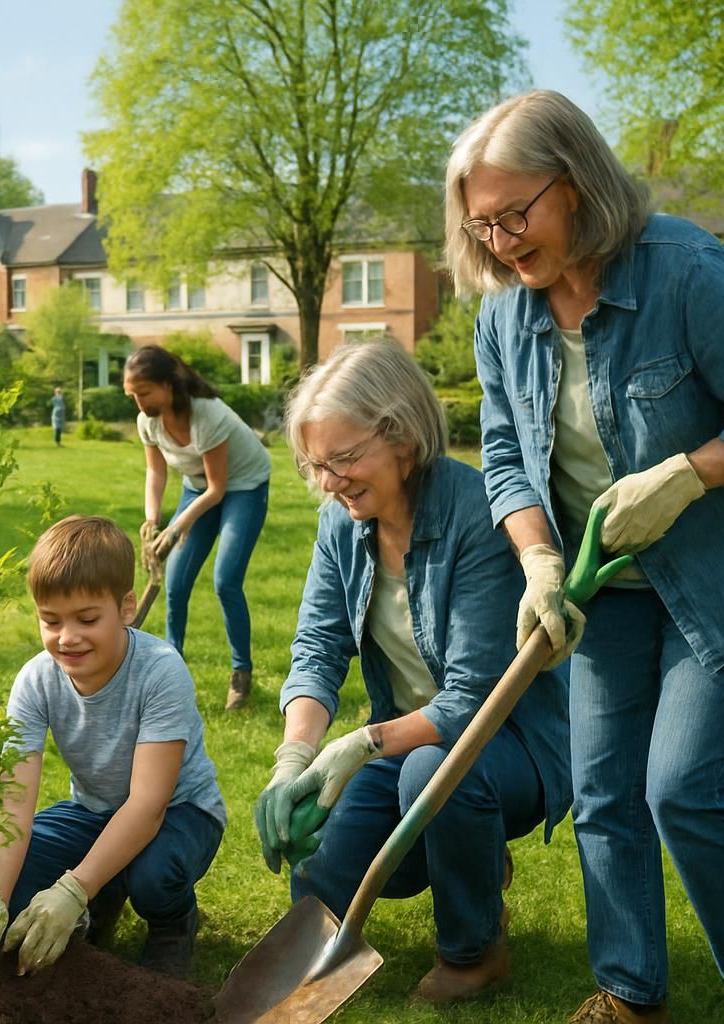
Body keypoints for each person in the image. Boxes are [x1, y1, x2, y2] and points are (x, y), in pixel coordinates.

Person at [447, 90, 724, 1023]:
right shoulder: (502, 321)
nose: (499, 240)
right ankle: (629, 993)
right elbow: (503, 460)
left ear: (574, 184)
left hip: (723, 569)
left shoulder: (686, 270)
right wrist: (536, 560)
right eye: (481, 223)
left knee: (683, 787)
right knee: (606, 792)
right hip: (601, 584)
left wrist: (687, 475)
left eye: (514, 213)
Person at [256, 340, 570, 1003]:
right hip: (403, 741)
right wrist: (295, 757)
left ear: (402, 436)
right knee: (325, 853)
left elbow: (472, 702)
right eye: (316, 464)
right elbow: (316, 649)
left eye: (345, 459)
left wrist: (361, 744)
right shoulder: (340, 524)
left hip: (505, 743)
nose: (329, 482)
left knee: (436, 777)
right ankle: (466, 857)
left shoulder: (477, 516)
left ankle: (473, 951)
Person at [0, 516, 226, 980]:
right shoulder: (36, 680)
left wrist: (71, 888)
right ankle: (101, 898)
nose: (67, 637)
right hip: (92, 810)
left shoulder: (160, 672)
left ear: (126, 607)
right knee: (16, 875)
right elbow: (13, 800)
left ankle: (172, 921)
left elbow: (148, 805)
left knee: (153, 876)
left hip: (181, 812)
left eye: (87, 619)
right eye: (51, 620)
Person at [122, 345, 272, 709]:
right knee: (175, 584)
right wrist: (153, 519)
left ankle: (241, 674)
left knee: (226, 580)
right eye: (132, 396)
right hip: (197, 488)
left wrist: (177, 529)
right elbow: (156, 471)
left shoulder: (207, 415)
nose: (139, 404)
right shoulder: (149, 422)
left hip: (244, 487)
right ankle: (173, 673)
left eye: (144, 393)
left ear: (168, 386)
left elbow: (218, 488)